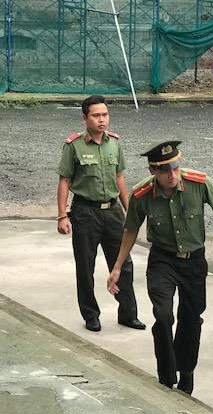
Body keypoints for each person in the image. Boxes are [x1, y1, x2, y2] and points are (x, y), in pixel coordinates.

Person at [107, 140, 213, 395]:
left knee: (191, 318)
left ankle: (186, 371)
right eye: (164, 170)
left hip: (194, 261)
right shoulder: (142, 194)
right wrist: (117, 266)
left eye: (175, 167)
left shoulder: (199, 183)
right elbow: (131, 230)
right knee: (163, 315)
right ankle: (166, 374)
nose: (172, 175)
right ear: (153, 171)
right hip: (162, 260)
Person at [56, 94, 144, 333]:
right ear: (85, 118)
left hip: (113, 212)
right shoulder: (74, 145)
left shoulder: (114, 143)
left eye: (105, 115)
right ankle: (91, 315)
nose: (102, 120)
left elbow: (120, 177)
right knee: (86, 267)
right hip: (85, 213)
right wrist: (62, 216)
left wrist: (129, 210)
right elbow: (65, 180)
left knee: (124, 263)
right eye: (96, 115)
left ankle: (128, 314)